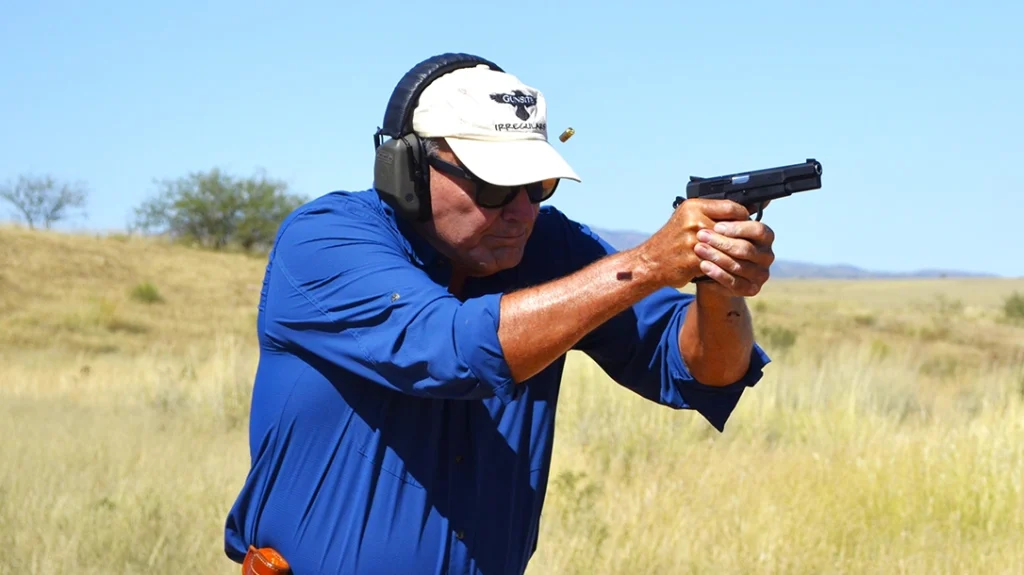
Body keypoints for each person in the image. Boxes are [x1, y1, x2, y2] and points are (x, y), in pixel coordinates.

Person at [224, 53, 775, 575]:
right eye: (493, 186)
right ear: (407, 170)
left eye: (537, 186)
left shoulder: (551, 245)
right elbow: (447, 350)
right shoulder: (325, 241)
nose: (521, 212)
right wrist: (647, 265)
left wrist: (717, 278)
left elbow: (705, 369)